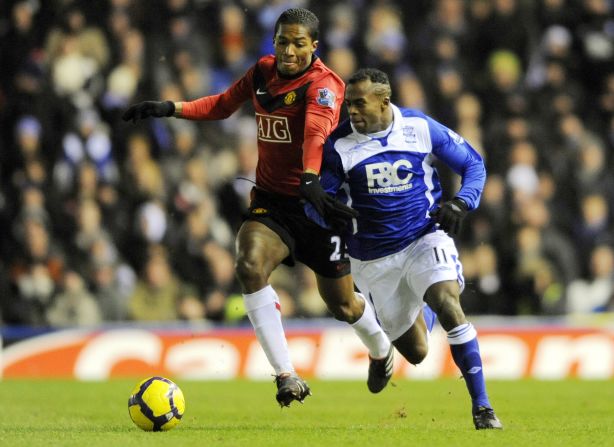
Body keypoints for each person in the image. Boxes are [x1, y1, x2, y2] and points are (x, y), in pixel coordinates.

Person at [122, 9, 392, 407]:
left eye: (298, 43)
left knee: (343, 304)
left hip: (319, 204)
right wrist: (170, 108)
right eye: (282, 41)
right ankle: (286, 375)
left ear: (314, 47)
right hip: (271, 201)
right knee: (248, 265)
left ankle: (381, 349)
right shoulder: (262, 71)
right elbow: (222, 105)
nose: (288, 50)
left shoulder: (325, 85)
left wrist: (311, 178)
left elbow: (316, 133)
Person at [306, 68, 503, 430]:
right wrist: (323, 208)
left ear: (384, 100)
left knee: (447, 303)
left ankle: (483, 408)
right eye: (348, 104)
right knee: (416, 352)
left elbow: (473, 164)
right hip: (372, 259)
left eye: (359, 103)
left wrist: (462, 203)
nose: (352, 111)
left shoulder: (420, 127)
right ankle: (387, 342)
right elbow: (317, 203)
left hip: (423, 237)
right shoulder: (339, 145)